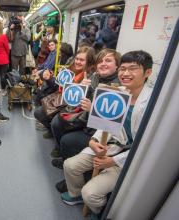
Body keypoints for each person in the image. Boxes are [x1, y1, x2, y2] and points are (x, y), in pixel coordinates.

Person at [61, 50, 153, 219]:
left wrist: (113, 161)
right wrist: (93, 140)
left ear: (147, 72)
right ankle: (76, 195)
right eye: (123, 69)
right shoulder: (118, 92)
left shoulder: (152, 104)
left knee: (91, 193)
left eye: (132, 69)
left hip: (128, 157)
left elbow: (146, 145)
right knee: (70, 166)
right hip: (108, 145)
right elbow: (106, 122)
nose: (125, 73)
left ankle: (98, 210)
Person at [52, 48, 119, 173]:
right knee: (57, 121)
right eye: (100, 61)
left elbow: (110, 123)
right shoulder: (95, 77)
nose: (103, 64)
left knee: (67, 139)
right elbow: (78, 100)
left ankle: (69, 165)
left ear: (117, 66)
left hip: (97, 129)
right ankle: (63, 154)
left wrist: (92, 109)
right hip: (85, 117)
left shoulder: (117, 88)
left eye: (108, 61)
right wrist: (82, 88)